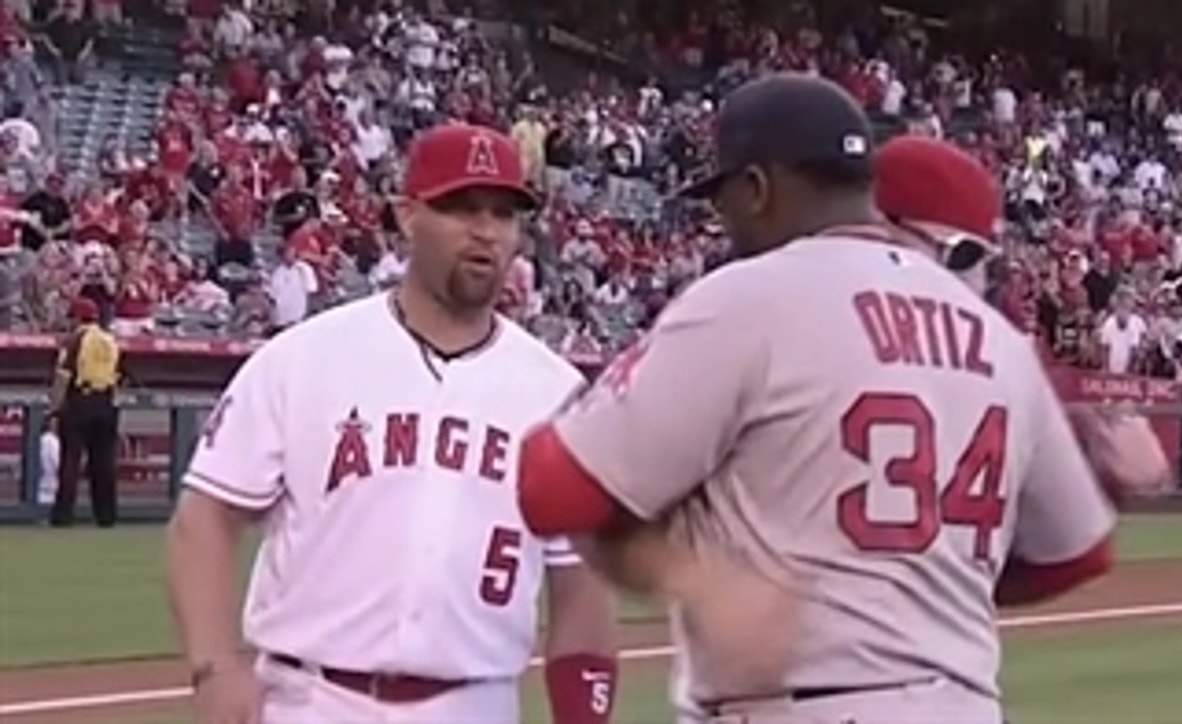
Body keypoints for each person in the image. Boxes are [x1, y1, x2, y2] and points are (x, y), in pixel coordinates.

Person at [516, 74, 1116, 724]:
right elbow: (1075, 555)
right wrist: (909, 586)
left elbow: (551, 488)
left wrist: (689, 573)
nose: (722, 220)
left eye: (724, 198)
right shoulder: (1001, 341)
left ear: (757, 189)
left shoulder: (749, 298)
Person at [165, 124, 618, 724]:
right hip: (310, 699)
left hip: (475, 703)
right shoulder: (304, 358)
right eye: (460, 207)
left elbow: (583, 589)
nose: (486, 230)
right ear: (407, 216)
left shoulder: (559, 395)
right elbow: (204, 520)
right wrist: (215, 665)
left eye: (504, 213)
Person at [872, 135, 1173, 499]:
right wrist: (1083, 446)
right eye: (966, 257)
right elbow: (1078, 550)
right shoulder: (995, 349)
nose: (979, 278)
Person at [48, 297, 120, 527]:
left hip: (79, 402)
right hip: (106, 402)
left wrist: (54, 406)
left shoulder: (75, 340)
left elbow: (63, 376)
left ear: (77, 318)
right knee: (104, 463)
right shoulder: (109, 339)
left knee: (70, 461)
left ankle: (63, 516)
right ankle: (106, 516)